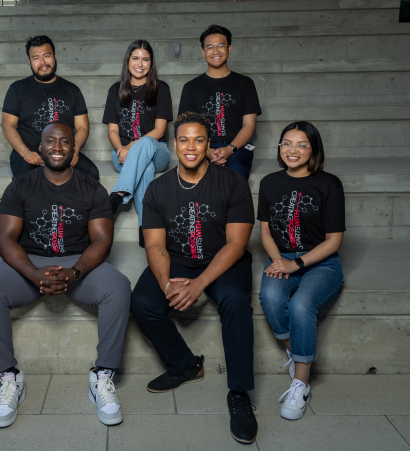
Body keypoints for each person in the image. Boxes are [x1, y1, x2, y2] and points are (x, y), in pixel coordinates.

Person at [0, 121, 131, 428]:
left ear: (74, 148)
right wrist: (33, 273)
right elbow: (4, 239)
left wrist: (75, 272)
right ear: (40, 147)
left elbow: (102, 241)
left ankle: (102, 376)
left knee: (118, 287)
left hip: (77, 260)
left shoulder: (92, 188)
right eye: (50, 142)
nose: (57, 147)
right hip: (30, 259)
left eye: (64, 142)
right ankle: (10, 379)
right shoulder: (21, 185)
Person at [130, 112, 258, 444]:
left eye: (198, 140)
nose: (191, 147)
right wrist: (167, 284)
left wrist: (200, 285)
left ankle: (240, 393)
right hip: (179, 262)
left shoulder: (233, 183)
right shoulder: (158, 189)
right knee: (143, 302)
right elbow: (155, 244)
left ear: (208, 144)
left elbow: (236, 243)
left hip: (224, 262)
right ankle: (185, 365)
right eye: (184, 139)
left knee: (235, 301)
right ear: (174, 144)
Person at [258, 121, 345, 420]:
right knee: (269, 297)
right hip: (281, 256)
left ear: (313, 149)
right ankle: (296, 351)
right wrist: (277, 261)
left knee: (301, 304)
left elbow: (334, 240)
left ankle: (301, 383)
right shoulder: (269, 183)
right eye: (286, 143)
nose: (292, 150)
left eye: (301, 144)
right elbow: (266, 232)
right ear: (279, 148)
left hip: (322, 262)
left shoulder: (329, 184)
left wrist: (297, 263)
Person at [102, 40, 173, 246]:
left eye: (145, 59)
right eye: (135, 58)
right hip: (121, 155)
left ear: (151, 63)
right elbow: (113, 130)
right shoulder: (115, 90)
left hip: (157, 151)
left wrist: (130, 147)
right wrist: (120, 149)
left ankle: (119, 193)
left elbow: (159, 131)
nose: (140, 64)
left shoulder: (161, 88)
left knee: (147, 145)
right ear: (128, 61)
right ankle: (146, 226)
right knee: (145, 167)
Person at [1, 35, 98, 181]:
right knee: (25, 180)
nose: (42, 62)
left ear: (55, 57)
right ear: (30, 62)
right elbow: (8, 125)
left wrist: (74, 150)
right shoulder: (17, 89)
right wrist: (25, 153)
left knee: (91, 173)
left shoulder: (72, 90)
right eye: (36, 58)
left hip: (63, 151)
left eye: (47, 56)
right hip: (30, 151)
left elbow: (83, 126)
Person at [178, 24, 262, 180]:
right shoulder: (191, 87)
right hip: (200, 147)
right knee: (198, 172)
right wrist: (208, 151)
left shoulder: (245, 83)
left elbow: (249, 125)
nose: (215, 51)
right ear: (203, 52)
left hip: (237, 147)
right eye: (210, 47)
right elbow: (185, 127)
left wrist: (229, 149)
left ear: (229, 48)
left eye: (220, 46)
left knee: (236, 169)